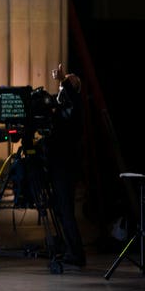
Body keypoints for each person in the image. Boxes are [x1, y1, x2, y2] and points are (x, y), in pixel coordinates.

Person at [46, 63, 86, 267]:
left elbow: (72, 98)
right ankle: (70, 249)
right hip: (59, 164)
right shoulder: (63, 108)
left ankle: (76, 253)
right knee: (61, 210)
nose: (61, 90)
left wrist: (63, 81)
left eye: (66, 85)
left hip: (65, 166)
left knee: (66, 210)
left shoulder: (75, 107)